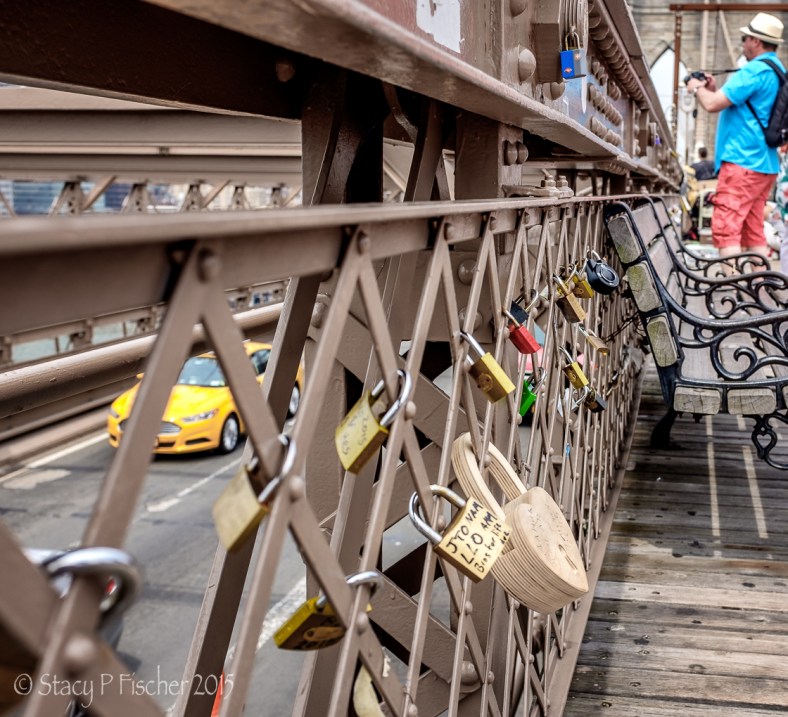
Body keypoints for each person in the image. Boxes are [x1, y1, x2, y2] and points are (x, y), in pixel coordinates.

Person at [686, 12, 786, 260]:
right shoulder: (777, 71)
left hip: (743, 161)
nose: (742, 44)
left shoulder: (752, 71)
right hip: (765, 164)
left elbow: (711, 105)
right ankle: (760, 291)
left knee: (725, 229)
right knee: (753, 232)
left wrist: (696, 87)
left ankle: (736, 292)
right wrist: (712, 89)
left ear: (756, 41)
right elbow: (742, 107)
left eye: (745, 38)